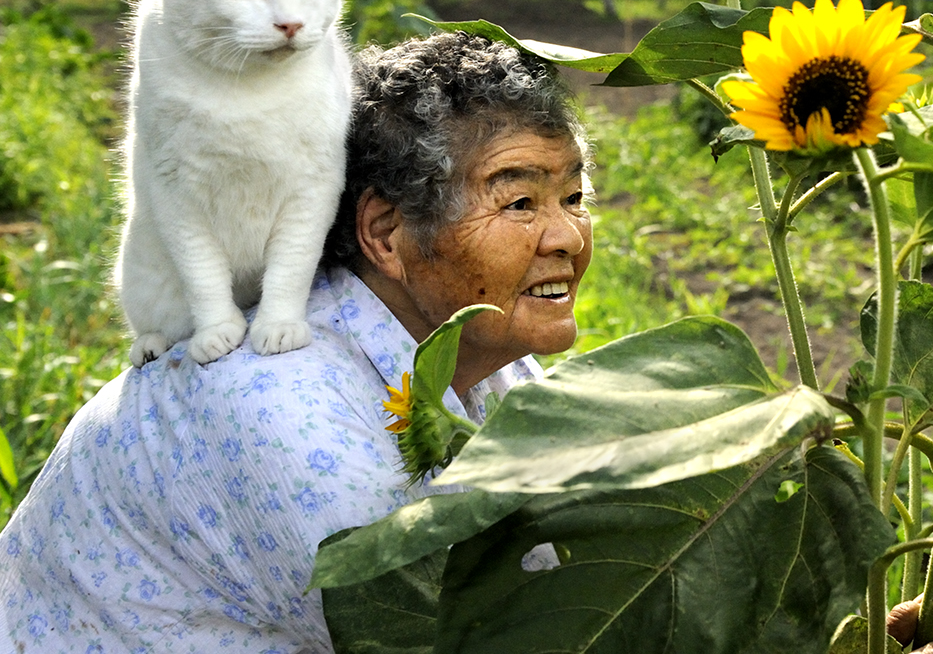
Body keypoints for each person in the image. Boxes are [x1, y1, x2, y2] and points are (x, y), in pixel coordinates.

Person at [0, 32, 593, 652]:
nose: (568, 237)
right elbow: (453, 637)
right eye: (520, 201)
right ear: (386, 234)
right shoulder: (285, 408)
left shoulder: (487, 362)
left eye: (574, 198)